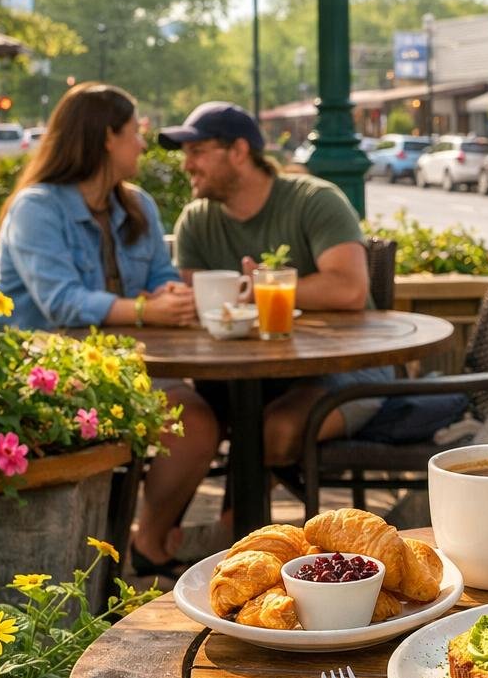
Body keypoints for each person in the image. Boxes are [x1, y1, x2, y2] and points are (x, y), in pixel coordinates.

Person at [0, 82, 220, 577]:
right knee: (195, 420)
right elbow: (60, 303)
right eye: (133, 132)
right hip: (40, 374)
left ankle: (149, 546)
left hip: (120, 370)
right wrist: (145, 312)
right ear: (104, 139)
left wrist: (171, 296)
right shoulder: (36, 209)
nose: (142, 143)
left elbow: (160, 276)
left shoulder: (137, 204)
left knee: (198, 423)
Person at [163, 102, 390, 470]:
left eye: (197, 152)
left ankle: (236, 525)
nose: (186, 165)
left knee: (277, 430)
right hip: (244, 372)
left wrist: (266, 287)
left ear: (238, 152)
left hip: (347, 364)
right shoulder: (195, 221)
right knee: (191, 425)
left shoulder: (315, 200)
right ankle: (169, 529)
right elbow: (196, 305)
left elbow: (349, 289)